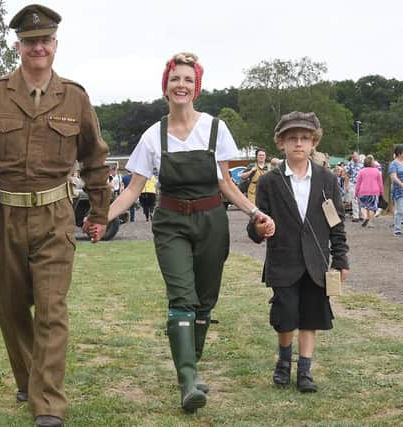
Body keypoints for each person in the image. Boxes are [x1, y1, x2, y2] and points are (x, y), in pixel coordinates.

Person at [0, 5, 110, 427]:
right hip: (4, 218)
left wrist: (99, 209)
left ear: (55, 45)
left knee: (53, 308)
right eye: (29, 41)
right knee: (11, 306)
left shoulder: (74, 96)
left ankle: (48, 405)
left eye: (45, 40)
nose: (38, 47)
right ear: (19, 46)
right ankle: (28, 377)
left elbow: (95, 157)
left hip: (56, 216)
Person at [89, 52, 275, 413]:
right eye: (175, 79)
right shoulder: (152, 136)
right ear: (166, 86)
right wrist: (103, 217)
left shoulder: (215, 129)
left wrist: (255, 212)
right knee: (181, 298)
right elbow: (131, 190)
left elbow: (225, 183)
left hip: (211, 222)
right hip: (171, 221)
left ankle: (191, 366)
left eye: (189, 80)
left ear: (197, 87)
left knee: (204, 301)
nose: (181, 85)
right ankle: (187, 379)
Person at [248, 111, 349, 393]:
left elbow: (336, 223)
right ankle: (283, 362)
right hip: (283, 261)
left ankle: (305, 371)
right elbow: (255, 224)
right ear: (281, 143)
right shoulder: (269, 181)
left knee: (310, 317)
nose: (299, 144)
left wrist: (341, 259)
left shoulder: (327, 180)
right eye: (292, 138)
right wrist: (259, 228)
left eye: (305, 138)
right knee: (285, 316)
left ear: (314, 142)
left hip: (317, 262)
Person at [355, 154, 383, 228]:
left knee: (363, 206)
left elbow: (358, 183)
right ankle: (370, 222)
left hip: (363, 191)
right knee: (372, 207)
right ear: (372, 162)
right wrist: (381, 192)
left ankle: (365, 217)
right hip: (374, 191)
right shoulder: (377, 171)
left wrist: (356, 192)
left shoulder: (361, 171)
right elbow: (380, 183)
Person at [388, 144, 403, 237]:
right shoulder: (393, 163)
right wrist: (401, 184)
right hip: (398, 189)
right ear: (399, 153)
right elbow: (393, 177)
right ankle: (397, 229)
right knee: (400, 210)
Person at [345, 151, 364, 222]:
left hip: (361, 183)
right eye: (353, 157)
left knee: (361, 200)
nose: (354, 158)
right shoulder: (350, 163)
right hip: (352, 183)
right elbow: (347, 175)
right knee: (354, 199)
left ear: (358, 156)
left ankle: (361, 215)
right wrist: (346, 186)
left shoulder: (363, 163)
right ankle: (356, 216)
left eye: (355, 156)